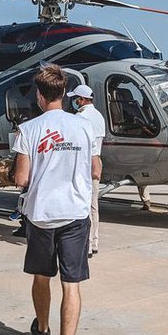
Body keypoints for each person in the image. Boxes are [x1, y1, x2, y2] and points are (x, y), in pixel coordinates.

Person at [13, 65, 100, 335]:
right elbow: (95, 171)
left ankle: (43, 329)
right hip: (75, 215)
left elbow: (21, 179)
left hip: (41, 216)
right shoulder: (84, 128)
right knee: (71, 285)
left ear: (39, 96)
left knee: (41, 277)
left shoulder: (29, 130)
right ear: (64, 94)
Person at [67, 84, 106, 257]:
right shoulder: (99, 116)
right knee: (93, 205)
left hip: (83, 166)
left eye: (75, 99)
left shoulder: (80, 118)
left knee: (82, 206)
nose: (74, 102)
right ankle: (95, 241)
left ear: (81, 100)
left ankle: (87, 245)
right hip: (97, 163)